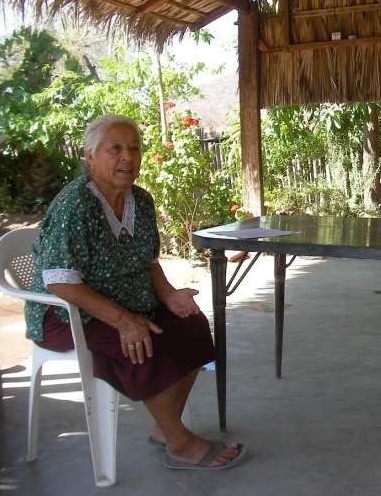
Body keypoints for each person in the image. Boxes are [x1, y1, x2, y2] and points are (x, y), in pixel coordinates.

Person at [24, 114, 246, 470]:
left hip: (130, 302)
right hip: (69, 314)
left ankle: (165, 426)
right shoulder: (75, 206)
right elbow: (60, 282)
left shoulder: (140, 201)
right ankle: (179, 443)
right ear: (90, 157)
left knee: (191, 324)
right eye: (115, 149)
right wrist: (124, 320)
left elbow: (149, 262)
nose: (127, 157)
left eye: (134, 149)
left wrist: (170, 295)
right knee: (142, 344)